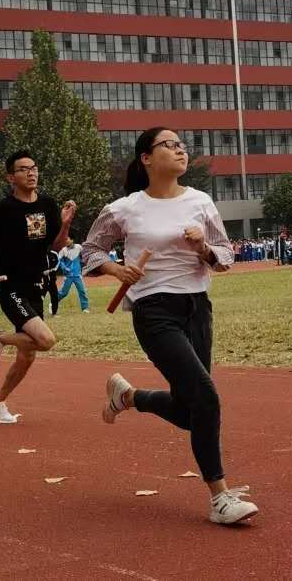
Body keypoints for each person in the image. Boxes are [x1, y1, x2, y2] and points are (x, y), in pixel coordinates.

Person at [81, 127, 259, 525]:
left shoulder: (201, 201)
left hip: (197, 308)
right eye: (169, 144)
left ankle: (128, 397)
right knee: (207, 398)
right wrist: (116, 269)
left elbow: (226, 257)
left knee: (190, 410)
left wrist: (203, 247)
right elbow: (90, 251)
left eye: (181, 145)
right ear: (146, 158)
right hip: (153, 310)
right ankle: (220, 498)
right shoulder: (125, 208)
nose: (179, 150)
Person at [0, 150, 76, 424]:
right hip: (11, 286)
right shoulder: (2, 209)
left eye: (34, 168)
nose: (31, 173)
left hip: (37, 286)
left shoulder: (48, 205)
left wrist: (64, 225)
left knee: (27, 355)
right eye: (23, 169)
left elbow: (56, 245)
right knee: (45, 340)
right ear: (10, 177)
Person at [56, 236, 89, 312]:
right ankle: (54, 301)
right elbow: (59, 261)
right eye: (64, 240)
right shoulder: (63, 250)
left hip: (77, 275)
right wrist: (64, 268)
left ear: (72, 240)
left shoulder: (78, 247)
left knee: (82, 291)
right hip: (68, 275)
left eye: (67, 239)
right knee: (64, 293)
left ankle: (85, 308)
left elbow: (85, 254)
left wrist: (84, 261)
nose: (66, 241)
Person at [40, 249, 60, 316]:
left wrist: (49, 271)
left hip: (52, 281)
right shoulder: (37, 254)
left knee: (55, 297)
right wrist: (42, 272)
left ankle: (54, 313)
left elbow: (57, 265)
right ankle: (38, 313)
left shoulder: (54, 254)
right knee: (39, 297)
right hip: (42, 282)